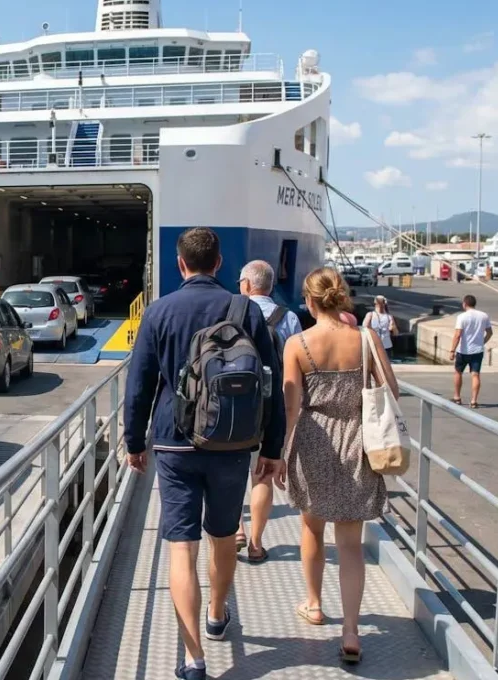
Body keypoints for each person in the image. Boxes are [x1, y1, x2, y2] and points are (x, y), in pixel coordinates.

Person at [123, 228, 286, 680]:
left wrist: (134, 442)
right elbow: (269, 382)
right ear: (218, 264)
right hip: (233, 442)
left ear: (181, 265)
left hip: (174, 442)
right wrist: (272, 447)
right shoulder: (246, 311)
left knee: (181, 546)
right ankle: (217, 614)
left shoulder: (159, 311)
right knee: (222, 534)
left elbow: (139, 386)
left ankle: (193, 659)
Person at [281, 266, 397, 665]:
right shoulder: (366, 338)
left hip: (314, 440)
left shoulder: (297, 343)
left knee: (312, 528)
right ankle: (351, 630)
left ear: (309, 301)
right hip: (359, 441)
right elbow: (390, 391)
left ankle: (313, 604)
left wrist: (281, 454)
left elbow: (292, 406)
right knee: (350, 542)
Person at [234, 259, 302, 564]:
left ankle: (237, 527)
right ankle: (257, 544)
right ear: (270, 285)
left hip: (235, 407)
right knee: (262, 476)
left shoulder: (231, 313)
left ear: (247, 285)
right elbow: (294, 375)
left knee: (232, 470)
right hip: (271, 408)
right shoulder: (288, 319)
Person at [449, 295, 492, 408]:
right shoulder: (484, 316)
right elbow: (490, 332)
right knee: (475, 375)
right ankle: (473, 401)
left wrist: (452, 350)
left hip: (463, 350)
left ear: (464, 304)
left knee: (458, 372)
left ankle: (457, 397)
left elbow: (458, 335)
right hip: (477, 350)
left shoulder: (462, 317)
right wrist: (482, 342)